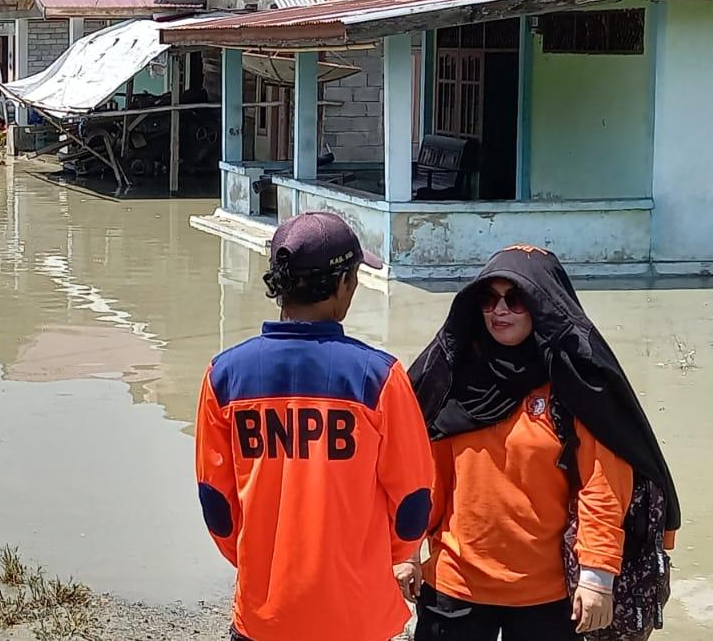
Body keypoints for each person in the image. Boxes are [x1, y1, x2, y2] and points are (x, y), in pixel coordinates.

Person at [402, 246, 679, 641]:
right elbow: (420, 477)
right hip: (454, 586)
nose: (500, 311)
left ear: (543, 306)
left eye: (515, 299)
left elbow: (603, 487)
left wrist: (597, 577)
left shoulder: (577, 386)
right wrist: (406, 553)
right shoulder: (451, 379)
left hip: (547, 598)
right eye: (488, 298)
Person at [195, 211, 434, 641]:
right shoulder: (379, 378)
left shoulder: (224, 377)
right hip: (356, 617)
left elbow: (218, 505)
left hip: (265, 614)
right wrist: (392, 557)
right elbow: (413, 500)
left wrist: (261, 562)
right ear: (344, 284)